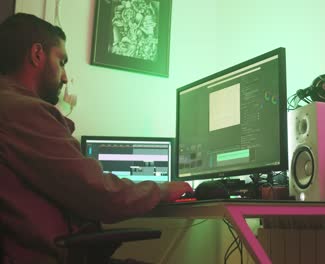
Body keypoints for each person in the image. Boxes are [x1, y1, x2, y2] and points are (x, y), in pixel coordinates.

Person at [0, 13, 192, 264]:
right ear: (37, 54)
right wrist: (165, 189)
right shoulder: (23, 110)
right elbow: (102, 194)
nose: (66, 77)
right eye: (62, 61)